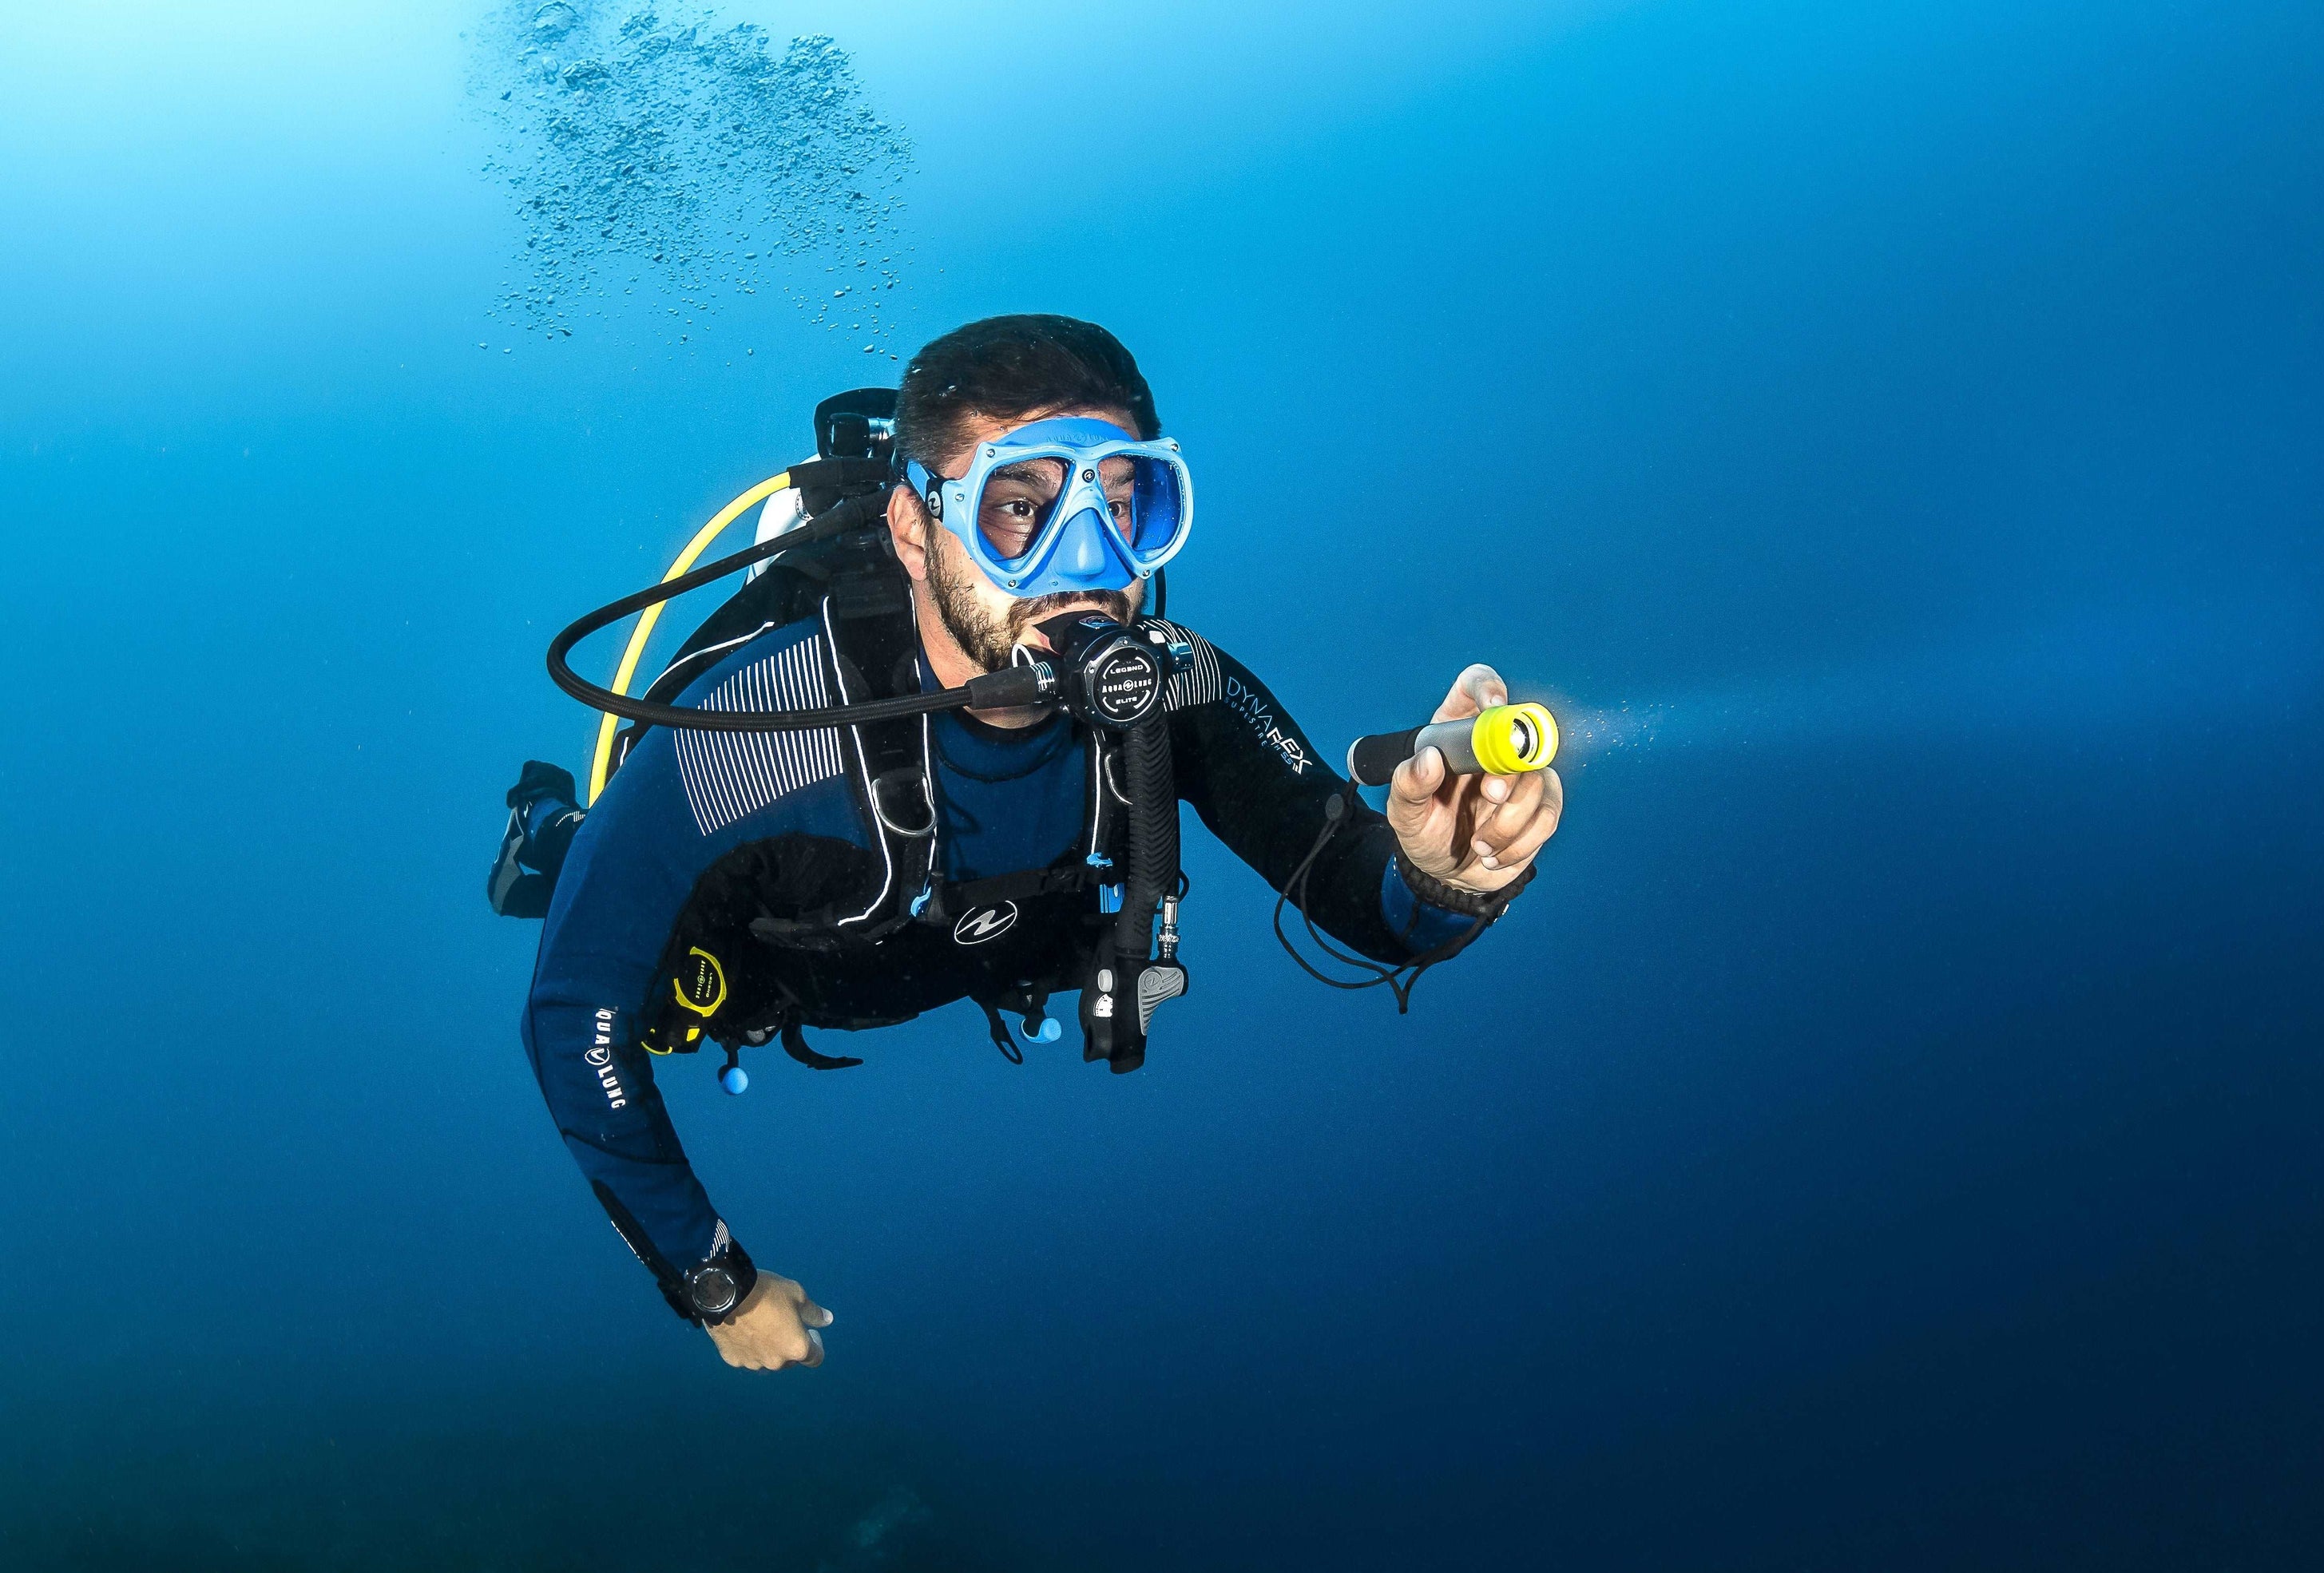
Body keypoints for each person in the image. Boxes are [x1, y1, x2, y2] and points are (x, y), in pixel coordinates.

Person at [514, 315, 1564, 1371]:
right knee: (609, 906)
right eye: (1020, 510)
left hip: (941, 943)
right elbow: (573, 1018)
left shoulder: (1177, 682)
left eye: (1123, 507)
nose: (1088, 564)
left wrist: (1445, 874)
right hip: (766, 968)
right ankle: (550, 829)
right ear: (916, 535)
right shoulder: (755, 731)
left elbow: (1357, 893)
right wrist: (716, 1283)